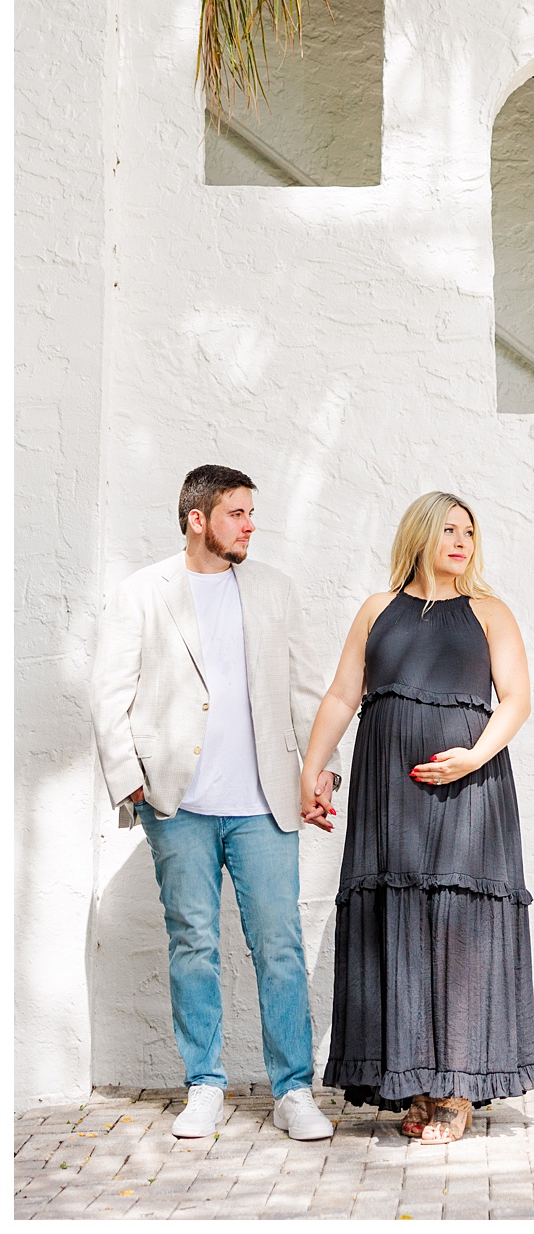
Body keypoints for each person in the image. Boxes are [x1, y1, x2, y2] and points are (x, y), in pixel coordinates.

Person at [90, 465, 343, 1141]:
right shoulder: (143, 592)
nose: (250, 525)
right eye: (238, 513)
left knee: (280, 947)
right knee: (192, 943)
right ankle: (203, 1084)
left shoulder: (273, 590)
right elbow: (109, 691)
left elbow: (305, 691)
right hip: (179, 806)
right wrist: (132, 781)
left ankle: (293, 1092)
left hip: (263, 803)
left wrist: (321, 772)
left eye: (251, 512)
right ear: (199, 519)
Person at [302, 491, 534, 1143]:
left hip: (470, 789)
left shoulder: (489, 613)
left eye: (469, 529)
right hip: (389, 796)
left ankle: (457, 1090)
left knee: (458, 929)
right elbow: (340, 694)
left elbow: (516, 700)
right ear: (419, 534)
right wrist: (311, 768)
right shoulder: (377, 611)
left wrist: (473, 758)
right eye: (448, 528)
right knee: (399, 925)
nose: (461, 540)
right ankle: (415, 1080)